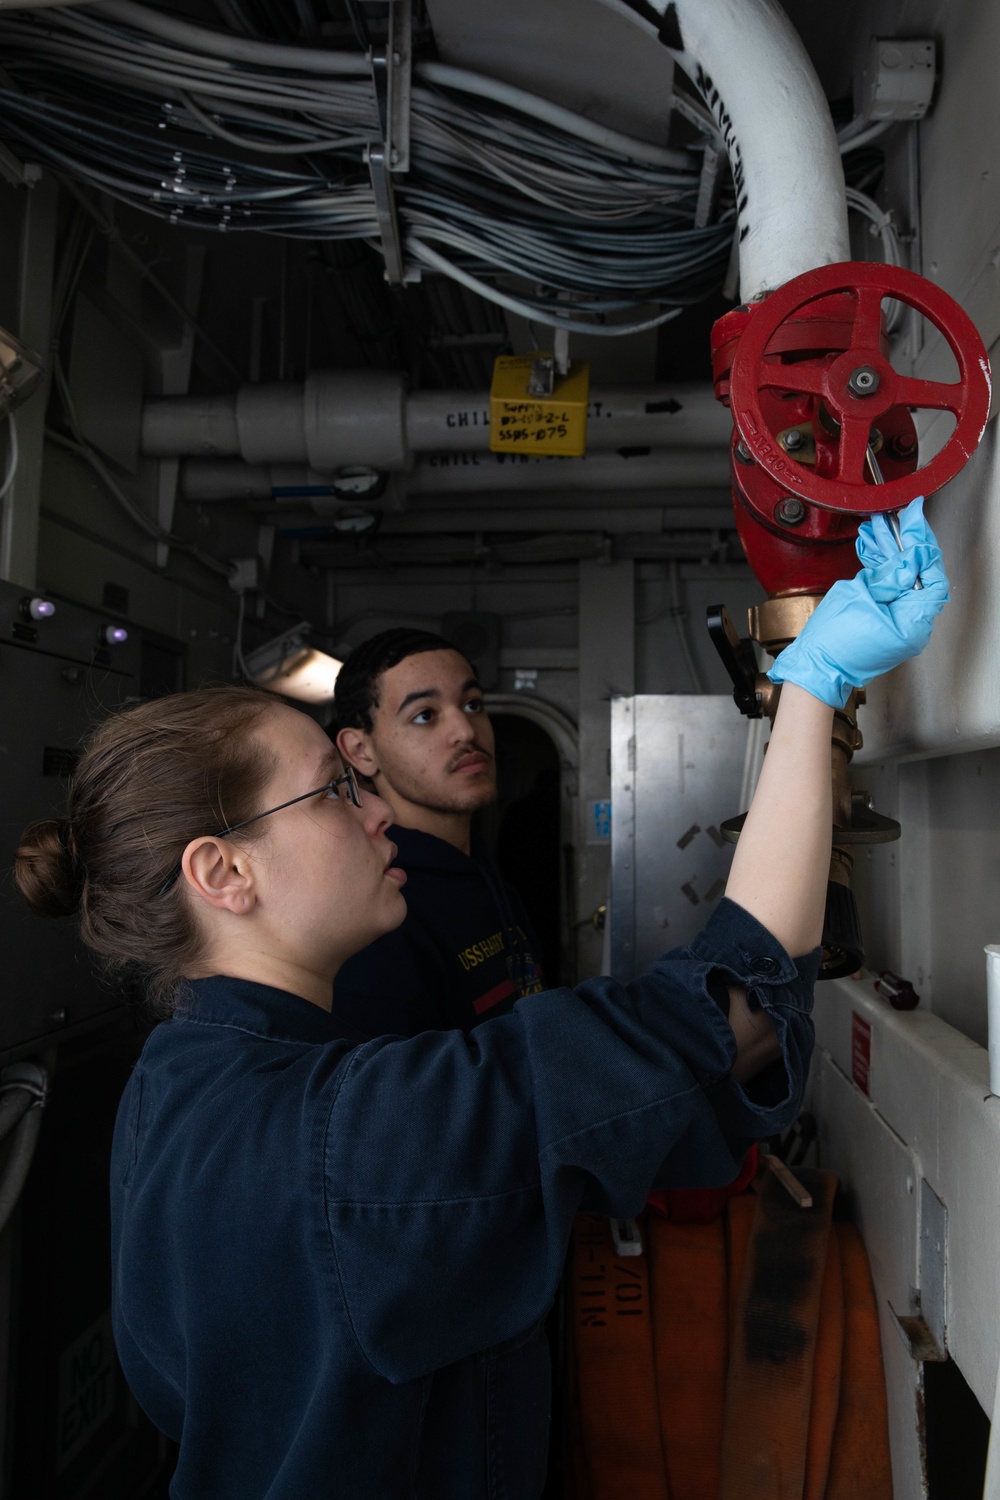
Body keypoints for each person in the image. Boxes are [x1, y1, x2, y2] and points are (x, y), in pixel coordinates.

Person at [12, 499, 946, 1500]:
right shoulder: (346, 1138)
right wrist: (811, 693)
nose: (374, 813)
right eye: (333, 790)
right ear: (224, 875)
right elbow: (722, 1014)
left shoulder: (168, 1087)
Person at [331, 628, 545, 1038]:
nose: (466, 731)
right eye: (425, 715)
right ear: (361, 751)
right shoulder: (374, 915)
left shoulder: (480, 868)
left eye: (473, 704)